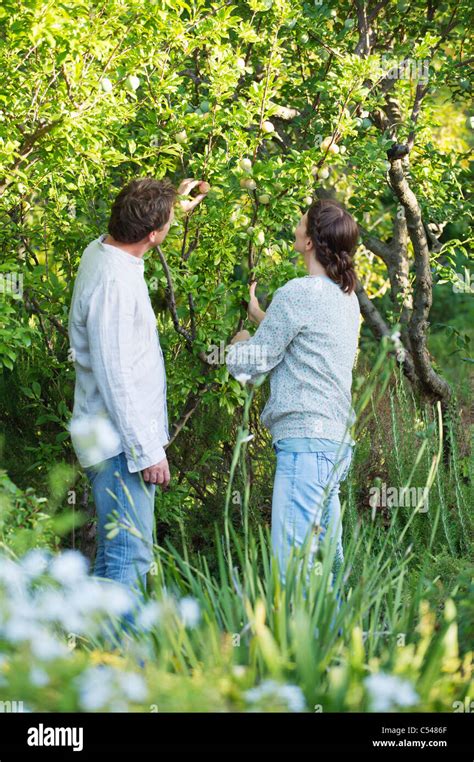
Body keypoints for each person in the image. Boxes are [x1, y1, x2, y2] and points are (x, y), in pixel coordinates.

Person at [67, 176, 207, 638]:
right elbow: (116, 377)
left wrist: (173, 205)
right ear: (152, 234)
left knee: (114, 556)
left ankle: (90, 664)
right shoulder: (114, 285)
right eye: (165, 223)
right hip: (118, 443)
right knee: (130, 555)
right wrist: (147, 451)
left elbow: (140, 227)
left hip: (109, 436)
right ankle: (119, 678)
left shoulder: (105, 250)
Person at [226, 198, 361, 593]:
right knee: (324, 567)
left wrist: (241, 341)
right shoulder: (346, 298)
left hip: (305, 447)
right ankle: (332, 649)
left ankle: (292, 651)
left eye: (301, 224)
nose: (296, 227)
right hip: (334, 444)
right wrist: (263, 318)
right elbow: (307, 345)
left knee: (293, 567)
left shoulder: (297, 292)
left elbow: (255, 362)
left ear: (310, 242)